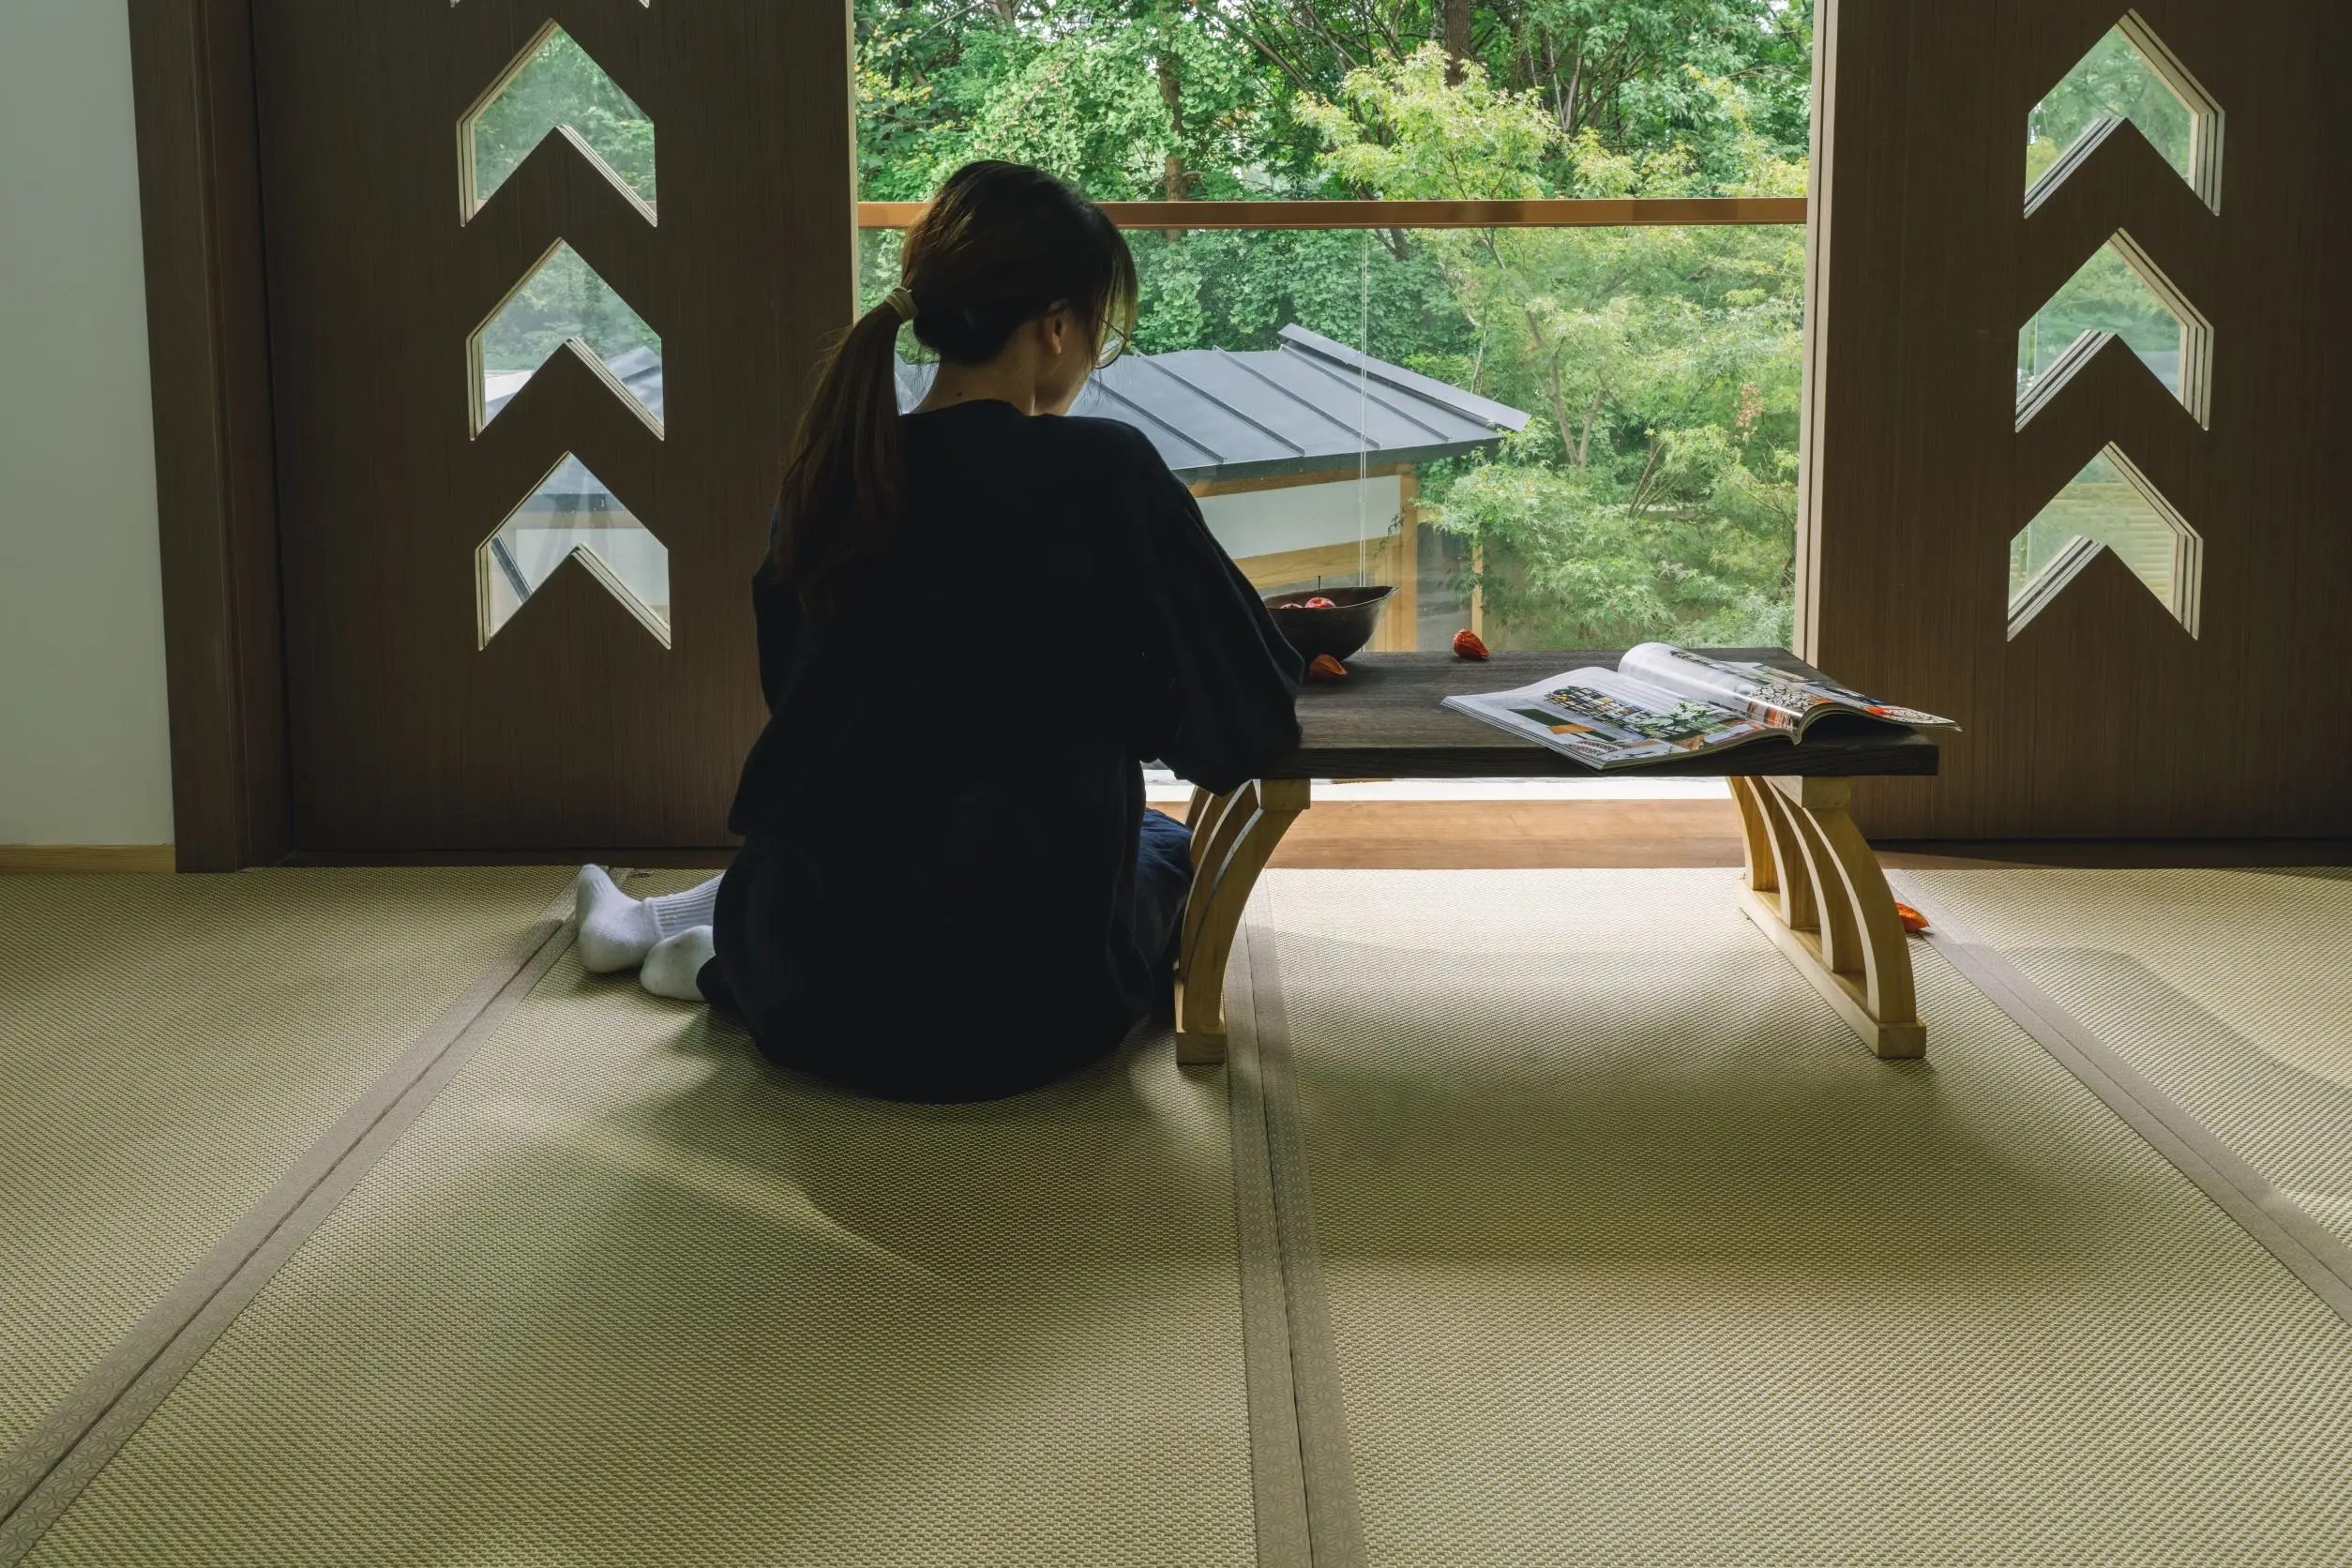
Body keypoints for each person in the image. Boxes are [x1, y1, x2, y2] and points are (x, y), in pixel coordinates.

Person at [572, 161, 1304, 1102]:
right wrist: (1137, 694)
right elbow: (1243, 726)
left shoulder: (833, 476)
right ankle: (697, 949)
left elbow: (808, 715)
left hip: (814, 998)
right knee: (1161, 848)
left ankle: (715, 955)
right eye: (1099, 336)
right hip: (1035, 1019)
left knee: (874, 838)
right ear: (1055, 326)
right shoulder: (1104, 470)